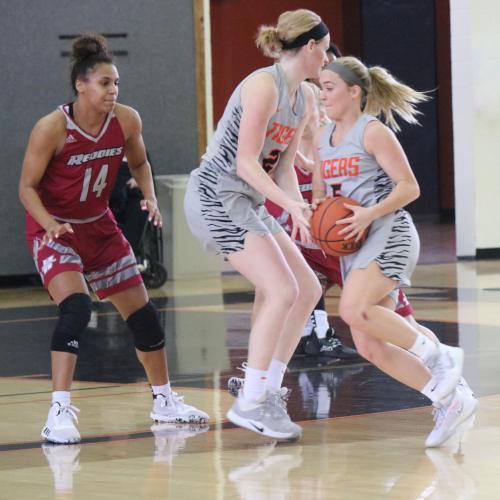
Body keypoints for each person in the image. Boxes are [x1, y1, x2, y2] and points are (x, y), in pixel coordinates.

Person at [19, 34, 208, 445]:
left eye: (116, 83)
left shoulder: (126, 120)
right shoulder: (52, 128)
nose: (113, 90)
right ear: (81, 86)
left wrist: (151, 196)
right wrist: (49, 225)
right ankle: (58, 412)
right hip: (58, 228)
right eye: (105, 83)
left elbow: (140, 162)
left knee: (144, 316)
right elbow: (27, 188)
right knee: (75, 307)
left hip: (99, 226)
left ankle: (164, 402)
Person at [314, 56, 478, 447]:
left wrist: (367, 213)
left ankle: (442, 358)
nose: (323, 95)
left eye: (329, 87)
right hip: (354, 244)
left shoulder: (371, 132)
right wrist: (314, 213)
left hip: (389, 231)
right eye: (320, 88)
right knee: (369, 341)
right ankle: (451, 400)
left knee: (353, 310)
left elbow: (409, 187)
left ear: (354, 92)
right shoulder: (322, 138)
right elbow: (322, 195)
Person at [184, 9, 330, 440]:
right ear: (308, 48)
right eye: (323, 51)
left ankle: (266, 389)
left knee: (307, 289)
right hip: (215, 195)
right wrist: (286, 202)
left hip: (246, 199)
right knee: (281, 288)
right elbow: (245, 162)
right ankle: (251, 400)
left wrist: (298, 208)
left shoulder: (303, 97)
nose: (326, 59)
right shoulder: (261, 86)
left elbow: (282, 166)